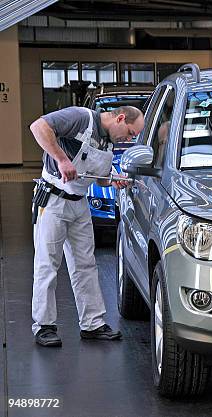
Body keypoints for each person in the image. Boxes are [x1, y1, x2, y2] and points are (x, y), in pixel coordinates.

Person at [30, 105, 144, 347]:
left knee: (85, 264)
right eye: (131, 132)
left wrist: (113, 180)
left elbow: (98, 176)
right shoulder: (80, 118)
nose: (130, 139)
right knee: (47, 264)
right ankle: (44, 326)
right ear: (120, 118)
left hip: (79, 204)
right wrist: (61, 159)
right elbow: (38, 127)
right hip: (53, 201)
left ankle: (92, 324)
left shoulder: (108, 142)